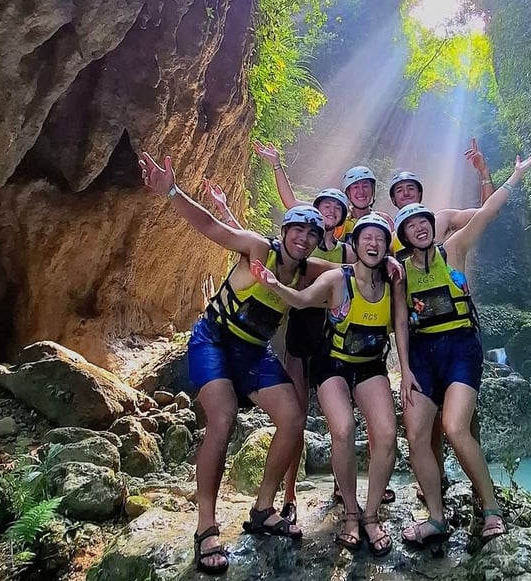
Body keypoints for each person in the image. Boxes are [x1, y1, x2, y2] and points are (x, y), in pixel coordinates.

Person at [138, 152, 334, 573]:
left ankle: (263, 508)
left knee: (294, 419)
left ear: (317, 241)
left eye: (312, 233)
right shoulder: (257, 247)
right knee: (222, 419)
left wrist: (391, 262)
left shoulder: (310, 270)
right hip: (214, 341)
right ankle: (206, 526)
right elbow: (210, 226)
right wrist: (171, 190)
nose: (303, 238)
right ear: (285, 231)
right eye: (297, 229)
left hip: (253, 353)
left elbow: (354, 268)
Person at [396, 148, 531, 549]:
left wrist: (513, 175)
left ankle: (490, 508)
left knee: (456, 426)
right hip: (423, 354)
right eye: (411, 226)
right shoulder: (398, 271)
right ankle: (436, 517)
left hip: (460, 346)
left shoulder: (454, 245)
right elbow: (398, 323)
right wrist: (404, 368)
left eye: (423, 222)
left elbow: (488, 211)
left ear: (430, 222)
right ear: (404, 235)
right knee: (416, 434)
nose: (420, 228)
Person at [251, 214, 414, 557]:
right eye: (366, 238)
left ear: (387, 248)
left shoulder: (393, 280)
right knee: (342, 430)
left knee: (385, 435)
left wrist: (408, 370)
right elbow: (302, 299)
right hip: (332, 365)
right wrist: (274, 284)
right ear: (354, 245)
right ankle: (351, 515)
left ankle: (371, 516)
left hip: (370, 366)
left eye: (380, 239)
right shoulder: (337, 278)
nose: (373, 243)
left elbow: (400, 323)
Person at [253, 140, 397, 506]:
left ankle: (341, 484)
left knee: (345, 419)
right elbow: (290, 206)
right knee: (297, 417)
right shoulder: (307, 240)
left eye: (337, 208)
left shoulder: (351, 247)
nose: (330, 212)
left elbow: (373, 267)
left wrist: (391, 263)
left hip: (339, 339)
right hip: (302, 333)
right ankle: (288, 495)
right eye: (325, 207)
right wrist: (276, 165)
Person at [389, 138, 496, 258]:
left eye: (411, 188)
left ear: (419, 194)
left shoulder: (443, 219)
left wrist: (483, 171)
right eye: (399, 190)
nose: (406, 193)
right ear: (393, 199)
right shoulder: (390, 239)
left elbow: (489, 213)